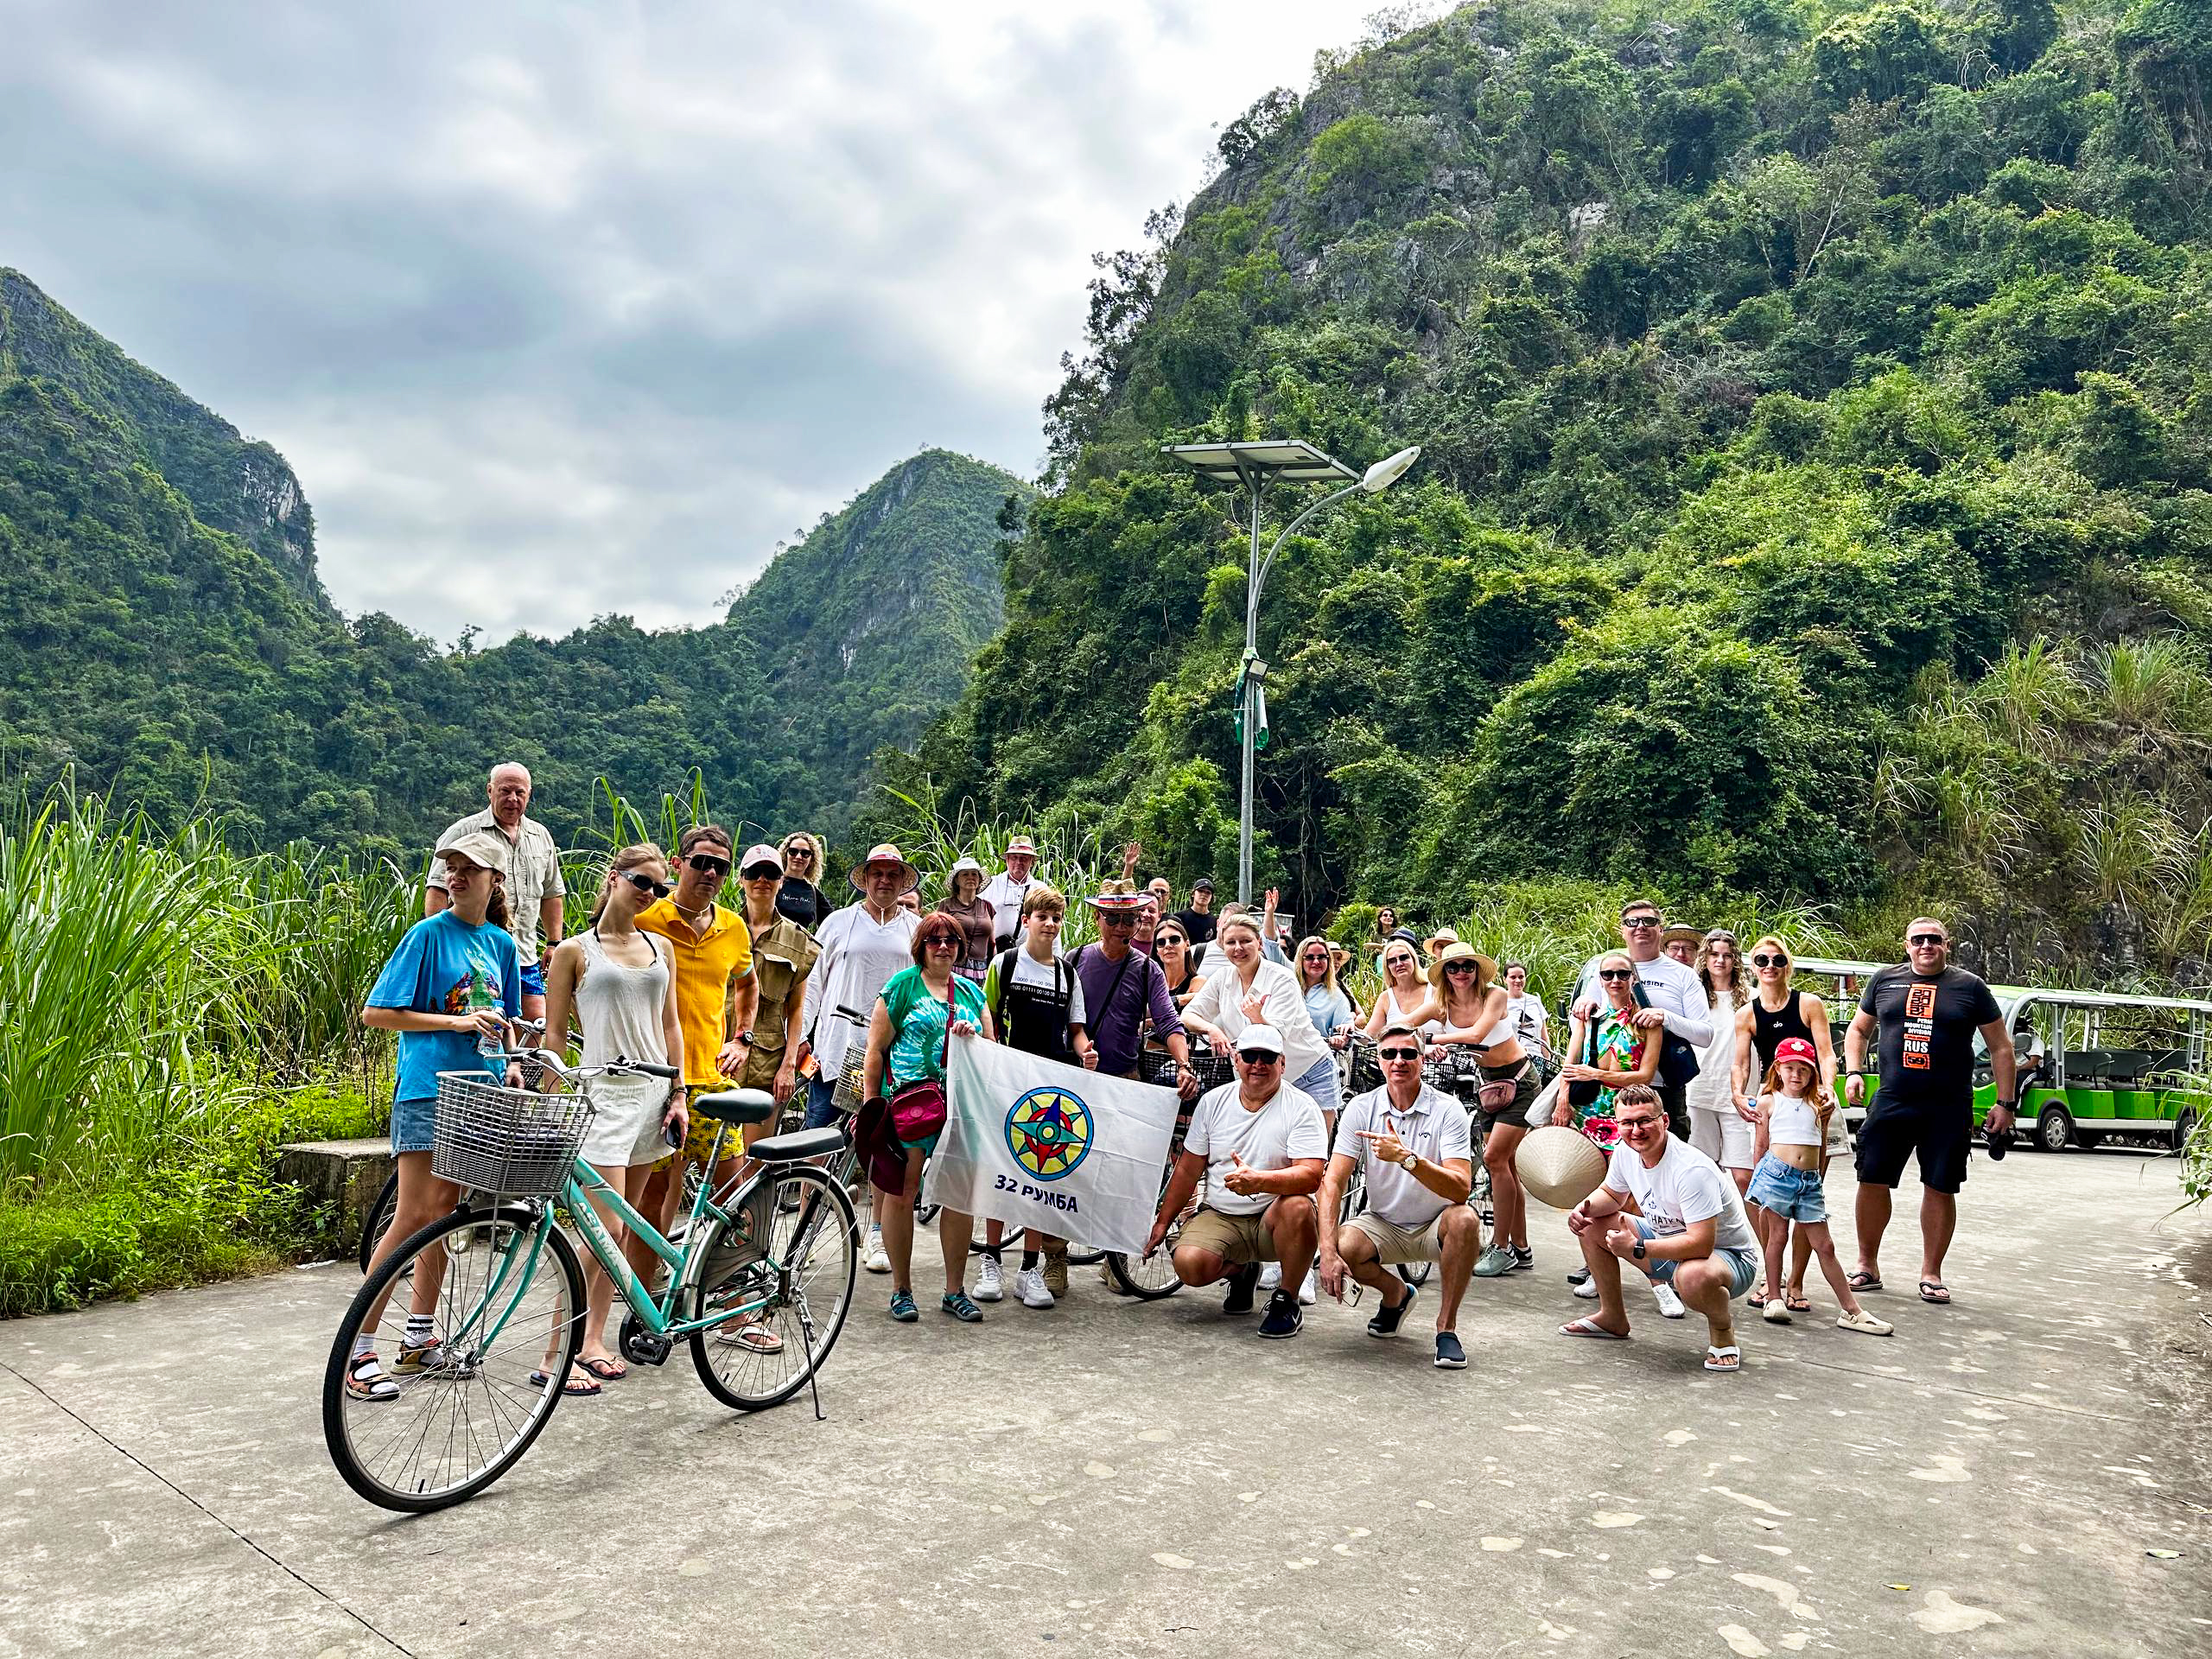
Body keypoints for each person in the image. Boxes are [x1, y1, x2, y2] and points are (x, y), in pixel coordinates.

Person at [351, 828, 524, 1402]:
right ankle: (360, 1350)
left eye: (470, 868)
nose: (456, 875)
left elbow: (505, 1018)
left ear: (495, 880)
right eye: (451, 867)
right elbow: (377, 1012)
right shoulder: (427, 935)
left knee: (445, 1215)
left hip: (480, 1092)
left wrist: (513, 1064)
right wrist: (454, 1023)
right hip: (428, 1089)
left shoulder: (500, 944)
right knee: (412, 1215)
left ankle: (420, 1342)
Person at [541, 843, 690, 1382]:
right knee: (597, 1229)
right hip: (600, 1095)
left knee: (622, 1229)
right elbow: (556, 1035)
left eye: (659, 887)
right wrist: (554, 1096)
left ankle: (593, 1339)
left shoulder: (660, 948)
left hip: (653, 1095)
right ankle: (558, 1352)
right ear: (613, 878)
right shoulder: (576, 951)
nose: (650, 894)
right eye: (641, 882)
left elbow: (670, 1025)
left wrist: (679, 1092)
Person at [1844, 919, 2016, 1306]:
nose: (1926, 946)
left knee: (1940, 1186)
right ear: (1907, 945)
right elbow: (1858, 1031)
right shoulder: (1884, 980)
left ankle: (1931, 1272)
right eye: (1918, 940)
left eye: (1933, 940)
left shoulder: (1970, 987)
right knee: (1871, 1179)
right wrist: (1853, 1071)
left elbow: (2001, 1048)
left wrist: (2005, 1104)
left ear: (1947, 945)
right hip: (1892, 1099)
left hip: (1949, 1104)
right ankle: (1867, 1265)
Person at [1558, 1084, 1761, 1373]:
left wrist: (1637, 1247)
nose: (1636, 1130)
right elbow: (1613, 1195)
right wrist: (1583, 1207)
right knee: (1592, 1225)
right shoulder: (1626, 1151)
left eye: (1645, 1121)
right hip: (1667, 1241)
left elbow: (1700, 1244)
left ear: (1664, 1121)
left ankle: (1722, 1331)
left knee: (1692, 1275)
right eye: (1627, 1123)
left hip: (1725, 1258)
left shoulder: (1691, 1169)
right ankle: (1612, 1317)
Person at [1144, 1026, 1325, 1340]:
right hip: (1222, 1213)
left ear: (1282, 1064)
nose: (1258, 1064)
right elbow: (1188, 1168)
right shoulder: (1213, 1101)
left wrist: (1260, 1182)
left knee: (1298, 1207)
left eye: (1267, 1057)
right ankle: (1242, 1271)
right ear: (1236, 1061)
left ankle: (1287, 1300)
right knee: (1189, 1265)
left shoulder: (1302, 1107)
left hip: (1273, 1218)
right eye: (1250, 1056)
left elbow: (1311, 1175)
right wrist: (1163, 1222)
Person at [1315, 1025, 1481, 1368]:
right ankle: (1396, 1294)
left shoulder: (1448, 1109)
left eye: (1408, 1053)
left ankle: (1446, 1329)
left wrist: (1408, 1159)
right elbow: (1332, 1182)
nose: (1399, 1061)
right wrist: (1327, 1252)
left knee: (1466, 1220)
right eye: (1389, 1054)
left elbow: (1461, 1188)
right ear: (1378, 1061)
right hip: (1384, 1222)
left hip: (1436, 1223)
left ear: (1422, 1060)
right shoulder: (1362, 1107)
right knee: (1344, 1244)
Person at [861, 919, 995, 1324]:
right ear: (920, 945)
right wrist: (871, 1109)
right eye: (934, 939)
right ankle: (901, 1289)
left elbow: (992, 1052)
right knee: (903, 1191)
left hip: (960, 1107)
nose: (942, 946)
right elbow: (876, 1050)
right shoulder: (901, 987)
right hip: (909, 1105)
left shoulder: (973, 992)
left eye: (951, 940)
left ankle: (954, 1290)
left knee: (957, 1196)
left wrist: (972, 1038)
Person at [799, 843, 923, 1273]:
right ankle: (803, 1234)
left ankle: (877, 1236)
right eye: (877, 873)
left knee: (883, 1147)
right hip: (838, 1049)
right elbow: (813, 982)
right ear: (865, 878)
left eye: (892, 874)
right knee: (817, 1142)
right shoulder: (838, 923)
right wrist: (801, 1038)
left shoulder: (916, 929)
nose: (884, 881)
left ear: (902, 880)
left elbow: (927, 987)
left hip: (896, 1055)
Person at [634, 825, 760, 1236]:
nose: (710, 873)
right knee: (650, 1200)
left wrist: (742, 1038)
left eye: (720, 867)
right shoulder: (646, 919)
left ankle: (728, 1288)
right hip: (656, 1080)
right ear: (678, 863)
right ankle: (648, 1295)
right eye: (701, 863)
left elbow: (748, 983)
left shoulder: (734, 927)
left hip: (711, 1079)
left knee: (731, 1195)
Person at [976, 884, 1096, 1308]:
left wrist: (1087, 1053)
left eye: (1056, 918)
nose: (1049, 924)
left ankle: (1029, 1270)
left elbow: (1077, 1032)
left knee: (1038, 1178)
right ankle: (990, 1260)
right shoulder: (1004, 965)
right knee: (998, 1173)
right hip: (1006, 1085)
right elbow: (984, 1017)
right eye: (1041, 916)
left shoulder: (1069, 974)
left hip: (1051, 1091)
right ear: (1025, 920)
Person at [1405, 944, 1540, 1279]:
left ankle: (1502, 1247)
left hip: (1520, 1081)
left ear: (1478, 971)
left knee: (1494, 1160)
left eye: (1468, 966)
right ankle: (1521, 1246)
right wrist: (1360, 1032)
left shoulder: (1494, 995)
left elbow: (1479, 1033)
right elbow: (1403, 1023)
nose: (1461, 972)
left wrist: (1435, 1041)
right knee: (1504, 1166)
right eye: (1453, 968)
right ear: (1445, 974)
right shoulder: (1440, 1004)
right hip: (1488, 1085)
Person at [1745, 1039, 1893, 1336]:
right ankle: (1774, 1296)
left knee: (1824, 1245)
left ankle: (1852, 1311)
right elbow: (1761, 1146)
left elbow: (1823, 1144)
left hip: (1809, 1181)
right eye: (1789, 1068)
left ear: (1813, 1073)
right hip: (1776, 1175)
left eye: (1803, 1069)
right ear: (1778, 1069)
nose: (1796, 1075)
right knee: (1777, 1237)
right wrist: (1758, 1181)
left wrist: (1817, 1177)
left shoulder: (1820, 1104)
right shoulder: (1769, 1101)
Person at [1731, 934, 1841, 1309]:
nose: (1770, 968)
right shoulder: (1747, 1013)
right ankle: (1772, 1280)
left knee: (1809, 1196)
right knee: (1768, 1197)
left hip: (1813, 1104)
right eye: (1762, 961)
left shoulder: (1808, 1004)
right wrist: (1736, 1093)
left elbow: (1826, 1053)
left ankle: (1796, 1283)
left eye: (1778, 961)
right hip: (1776, 1105)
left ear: (1787, 965)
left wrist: (1827, 1090)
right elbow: (1741, 1062)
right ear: (1753, 967)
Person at [425, 763, 564, 1021]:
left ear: (529, 794)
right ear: (490, 791)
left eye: (520, 793)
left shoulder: (541, 836)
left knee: (534, 1024)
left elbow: (551, 893)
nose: (513, 799)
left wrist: (554, 942)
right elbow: (437, 888)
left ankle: (521, 1065)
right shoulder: (464, 831)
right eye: (505, 791)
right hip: (475, 951)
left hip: (524, 954)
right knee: (482, 1022)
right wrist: (443, 941)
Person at [1567, 899, 1715, 1141]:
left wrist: (1665, 1017)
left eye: (1649, 921)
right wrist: (1581, 1008)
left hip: (1662, 1085)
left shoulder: (1683, 975)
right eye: (1632, 922)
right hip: (1606, 1091)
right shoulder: (1606, 970)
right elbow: (1580, 1031)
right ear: (1622, 930)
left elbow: (1705, 1035)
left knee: (1664, 1162)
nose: (1640, 927)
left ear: (1660, 929)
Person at [1684, 929, 1754, 1199]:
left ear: (1735, 959)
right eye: (1714, 954)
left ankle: (1769, 1243)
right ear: (1705, 957)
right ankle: (1710, 1239)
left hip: (1739, 1095)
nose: (1720, 960)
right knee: (1705, 1174)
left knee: (1744, 1176)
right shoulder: (1693, 995)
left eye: (1727, 955)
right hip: (1699, 1091)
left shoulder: (1751, 997)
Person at [1363, 936, 1438, 1041]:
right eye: (1392, 961)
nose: (1399, 964)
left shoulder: (1435, 990)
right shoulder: (1386, 998)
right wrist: (1348, 1033)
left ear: (1414, 959)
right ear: (1387, 967)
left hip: (1438, 1055)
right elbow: (1368, 1036)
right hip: (1399, 1057)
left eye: (1403, 957)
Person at [937, 855, 996, 982]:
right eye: (965, 874)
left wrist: (993, 968)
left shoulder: (987, 906)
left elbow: (992, 943)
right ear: (957, 880)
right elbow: (936, 936)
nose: (970, 877)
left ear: (979, 880)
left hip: (981, 969)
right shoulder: (947, 905)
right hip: (953, 966)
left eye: (974, 874)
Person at [981, 836, 1042, 952]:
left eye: (1024, 858)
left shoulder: (1040, 889)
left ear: (1032, 862)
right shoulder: (989, 885)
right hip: (994, 954)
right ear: (1007, 860)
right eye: (1014, 858)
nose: (1018, 862)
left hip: (1030, 956)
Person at [773, 831, 827, 930]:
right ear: (786, 854)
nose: (798, 857)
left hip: (802, 944)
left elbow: (831, 923)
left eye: (805, 853)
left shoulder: (813, 893)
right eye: (793, 851)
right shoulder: (773, 883)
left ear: (812, 859)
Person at [1154, 917, 1205, 1011]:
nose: (1167, 945)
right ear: (1157, 952)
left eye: (1174, 939)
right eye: (1161, 942)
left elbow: (1189, 1019)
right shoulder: (1152, 984)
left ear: (1187, 945)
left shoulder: (1197, 982)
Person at [1502, 961, 1549, 1060]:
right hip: (1512, 1060)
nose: (1518, 980)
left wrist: (1547, 1059)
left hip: (1537, 1060)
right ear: (1505, 979)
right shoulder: (1500, 1002)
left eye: (1521, 977)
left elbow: (1543, 1035)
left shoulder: (1535, 1001)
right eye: (1513, 977)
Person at [1171, 874, 1218, 948]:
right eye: (1200, 891)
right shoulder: (1179, 917)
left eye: (1208, 892)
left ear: (1212, 897)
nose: (1204, 894)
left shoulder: (1215, 922)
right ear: (1193, 894)